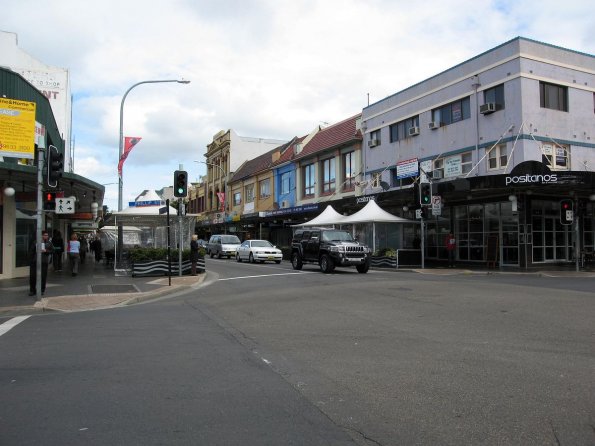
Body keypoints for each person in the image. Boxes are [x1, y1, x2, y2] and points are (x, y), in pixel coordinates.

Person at [29, 230, 54, 296]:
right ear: (42, 235)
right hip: (35, 261)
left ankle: (42, 290)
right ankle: (32, 290)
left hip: (44, 262)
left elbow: (52, 250)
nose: (46, 236)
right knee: (33, 276)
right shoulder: (36, 242)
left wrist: (46, 250)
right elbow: (31, 251)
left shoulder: (49, 243)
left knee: (43, 277)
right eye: (45, 235)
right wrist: (31, 259)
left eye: (47, 235)